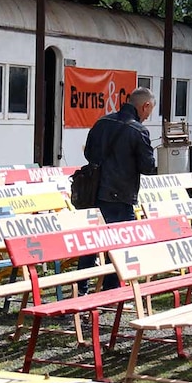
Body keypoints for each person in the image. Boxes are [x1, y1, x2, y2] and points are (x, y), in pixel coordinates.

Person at [77, 86, 156, 293]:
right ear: (145, 105)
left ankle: (82, 287)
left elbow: (89, 154)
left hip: (93, 192)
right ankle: (111, 289)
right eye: (150, 111)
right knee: (121, 243)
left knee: (92, 241)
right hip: (121, 197)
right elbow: (148, 167)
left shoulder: (102, 122)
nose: (148, 116)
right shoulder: (139, 131)